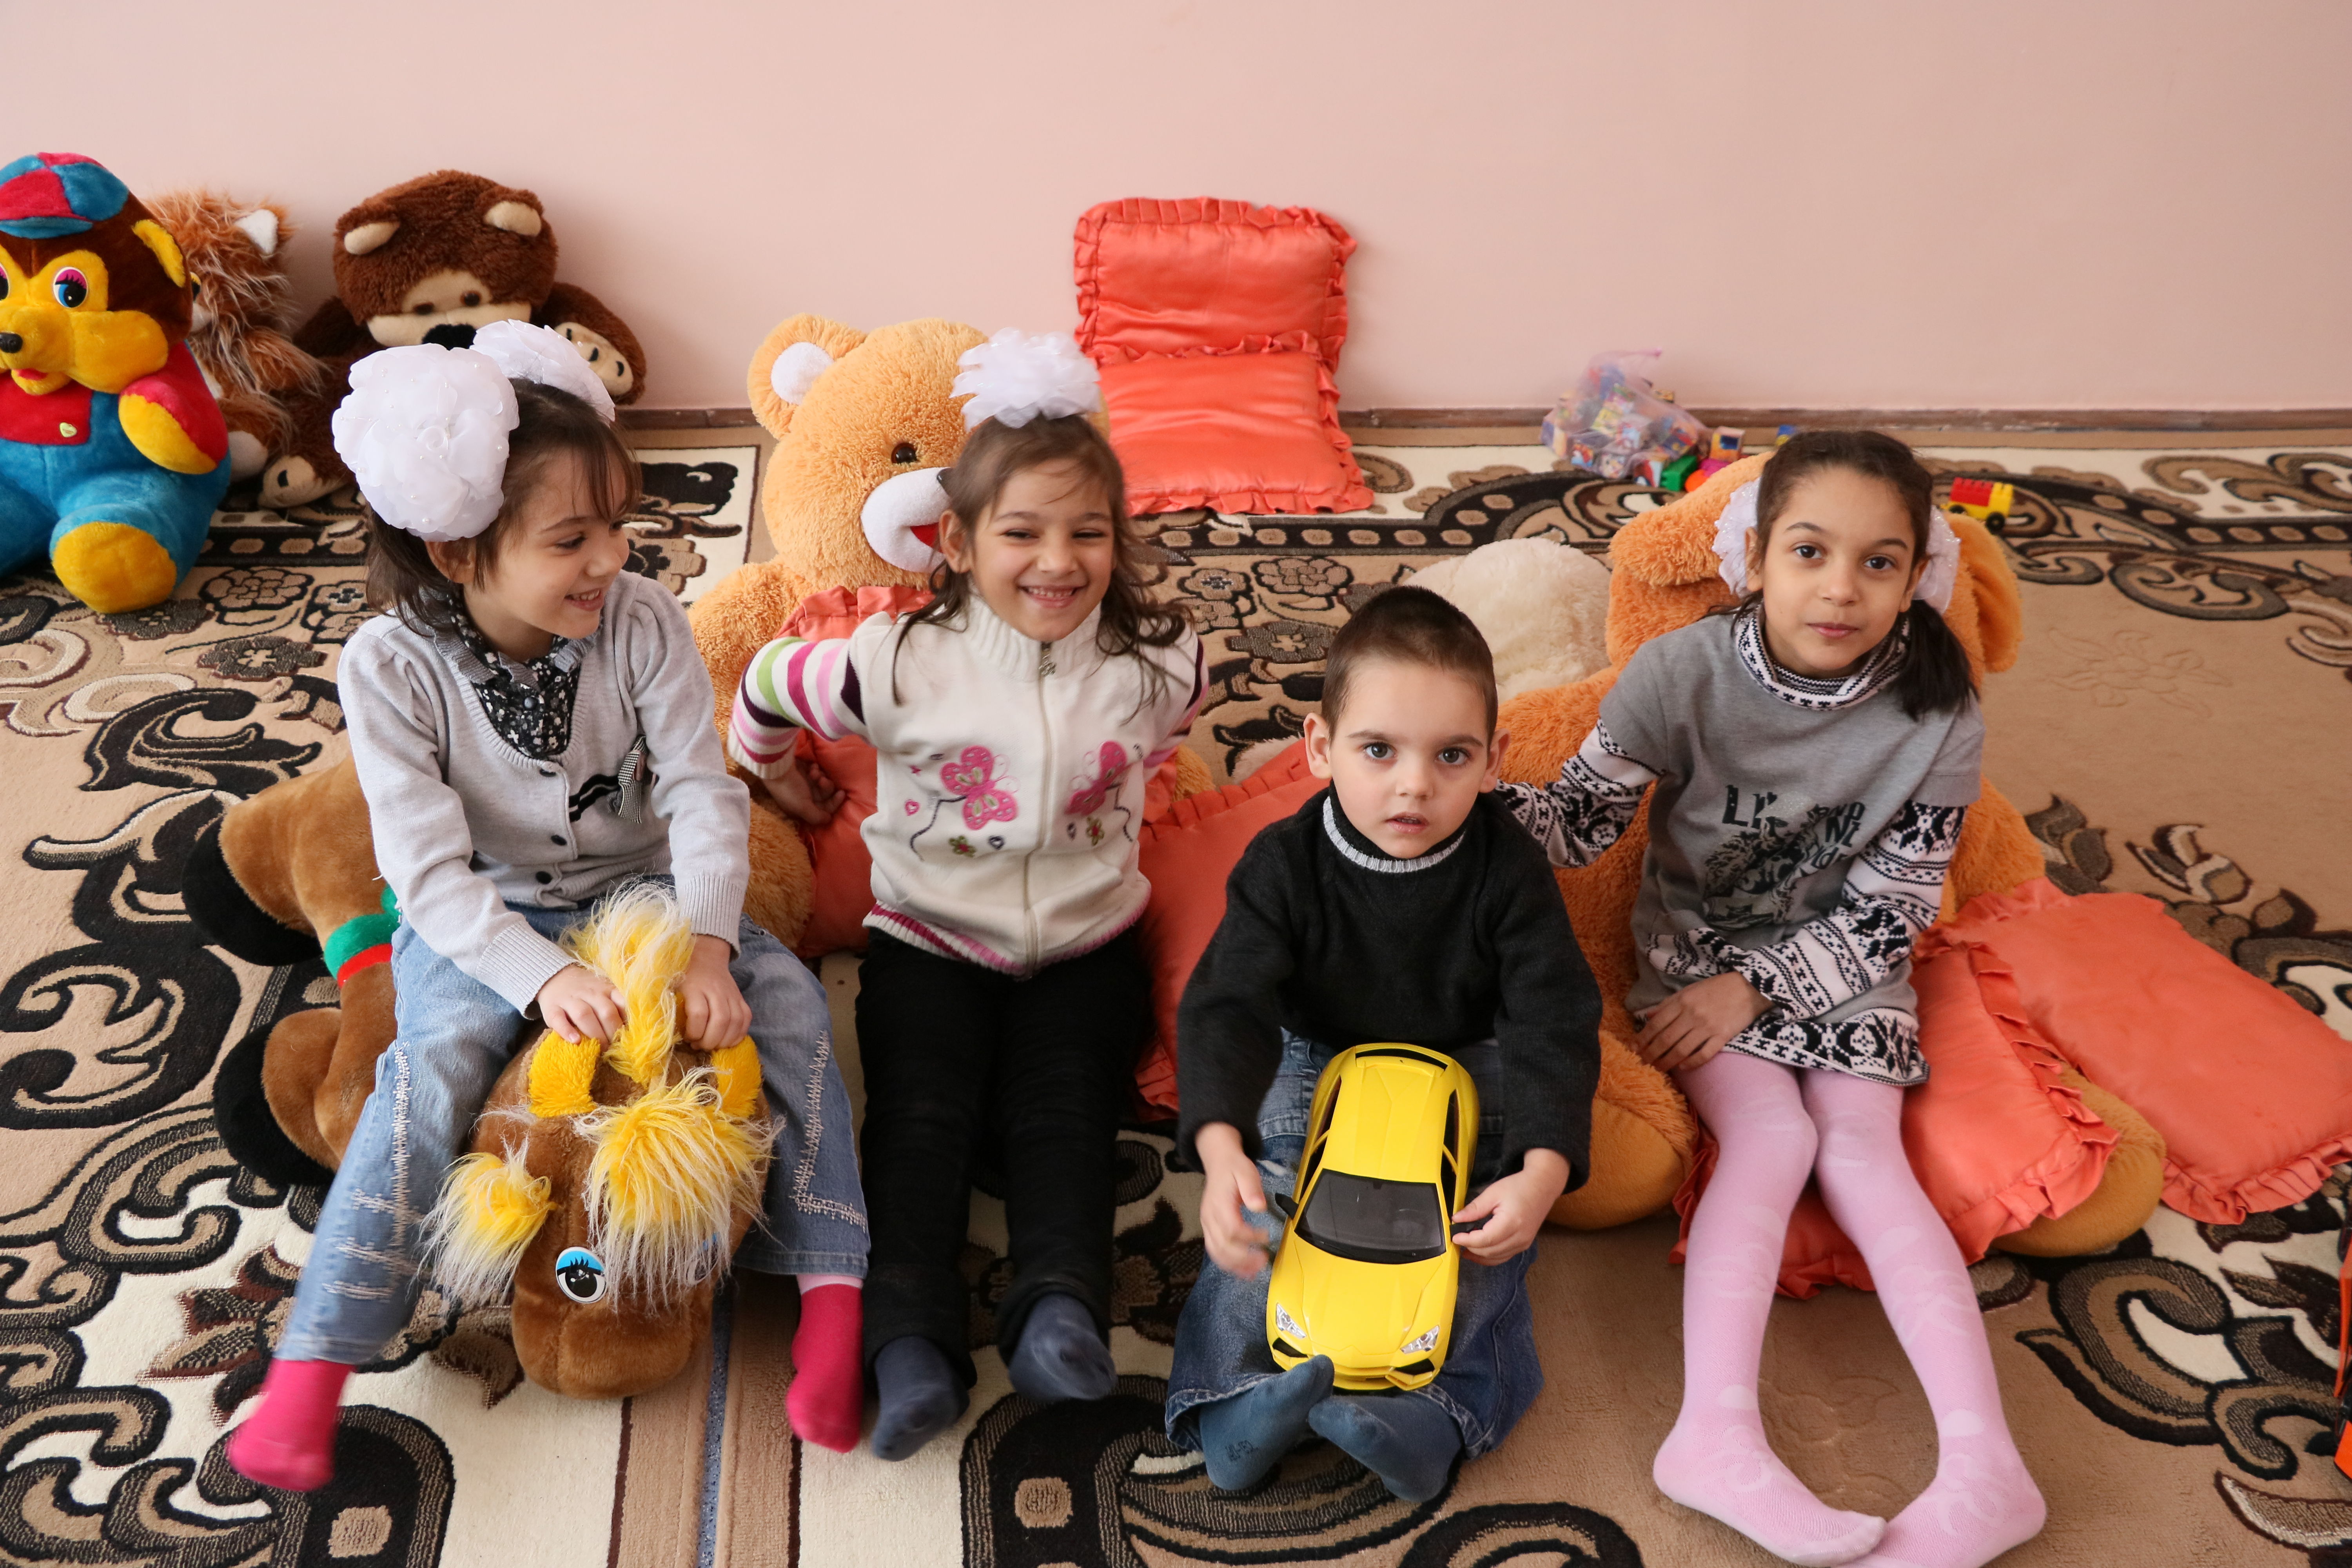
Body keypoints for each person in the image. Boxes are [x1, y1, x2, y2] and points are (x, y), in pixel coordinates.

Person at [227, 324, 868, 1491]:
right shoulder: (388, 665)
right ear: (455, 547)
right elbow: (425, 873)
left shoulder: (644, 618)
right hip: (485, 912)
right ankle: (313, 1367)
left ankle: (831, 1299)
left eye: (618, 527)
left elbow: (701, 791)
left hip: (647, 891)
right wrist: (540, 976)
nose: (610, 558)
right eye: (572, 538)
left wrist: (709, 946)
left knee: (791, 1013)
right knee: (425, 1075)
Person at [1504, 430, 2045, 1568]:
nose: (1840, 588)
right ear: (1753, 559)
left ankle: (1989, 1465)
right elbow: (1580, 821)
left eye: (1878, 562)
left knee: (1861, 1151)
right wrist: (1448, 786)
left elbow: (1898, 903)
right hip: (1698, 958)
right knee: (1771, 1135)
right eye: (1810, 551)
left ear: (1918, 576)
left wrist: (1759, 989)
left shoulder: (1941, 711)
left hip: (1846, 965)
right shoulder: (1680, 673)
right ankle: (1714, 1434)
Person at [730, 331, 1204, 1461]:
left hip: (1088, 942)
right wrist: (771, 773)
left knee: (1065, 1122)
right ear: (957, 543)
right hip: (927, 940)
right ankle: (911, 1342)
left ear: (1120, 536)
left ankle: (1058, 1312)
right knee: (918, 1123)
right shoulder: (894, 659)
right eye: (1022, 533)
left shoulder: (1161, 660)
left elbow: (1170, 736)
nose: (1058, 561)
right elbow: (764, 682)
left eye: (1088, 531)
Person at [1164, 584, 1601, 1503]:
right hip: (1313, 1052)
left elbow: (1552, 1012)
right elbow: (1227, 1001)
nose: (1414, 784)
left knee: (1483, 1236)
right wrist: (1223, 1150)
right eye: (1378, 750)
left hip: (1469, 1057)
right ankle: (1231, 1403)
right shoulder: (1282, 862)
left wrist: (1542, 1169)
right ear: (1319, 746)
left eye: (1452, 755)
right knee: (1260, 1212)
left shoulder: (1510, 865)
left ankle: (1437, 1416)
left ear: (1494, 758)